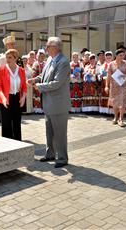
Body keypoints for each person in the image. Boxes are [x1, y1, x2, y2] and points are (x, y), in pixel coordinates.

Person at [28, 37, 70, 168]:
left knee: (60, 133)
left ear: (55, 47)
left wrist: (39, 87)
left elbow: (57, 83)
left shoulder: (63, 62)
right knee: (49, 132)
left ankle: (62, 158)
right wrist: (34, 80)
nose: (45, 48)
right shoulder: (51, 59)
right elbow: (44, 76)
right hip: (48, 103)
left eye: (48, 46)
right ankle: (50, 154)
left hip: (58, 104)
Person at [0, 49, 27, 140]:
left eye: (10, 57)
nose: (7, 59)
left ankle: (18, 143)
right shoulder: (1, 69)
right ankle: (7, 145)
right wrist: (3, 98)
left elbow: (24, 86)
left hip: (17, 98)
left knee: (17, 123)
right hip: (5, 98)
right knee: (6, 124)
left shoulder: (21, 70)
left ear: (15, 58)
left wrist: (23, 97)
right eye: (6, 57)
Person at [105, 49, 126, 127]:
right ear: (116, 56)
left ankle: (121, 118)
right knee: (114, 102)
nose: (122, 57)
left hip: (124, 85)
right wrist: (106, 86)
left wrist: (125, 75)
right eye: (120, 55)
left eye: (123, 55)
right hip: (114, 85)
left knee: (122, 102)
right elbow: (108, 76)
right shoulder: (111, 64)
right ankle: (115, 117)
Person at [32, 49, 46, 113]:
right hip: (38, 82)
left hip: (45, 82)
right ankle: (38, 109)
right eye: (40, 56)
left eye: (43, 56)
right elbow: (33, 74)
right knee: (37, 95)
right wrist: (34, 82)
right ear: (37, 57)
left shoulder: (46, 63)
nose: (42, 58)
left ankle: (44, 108)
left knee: (44, 95)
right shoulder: (35, 64)